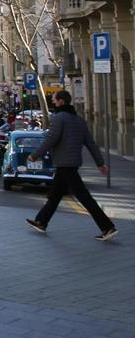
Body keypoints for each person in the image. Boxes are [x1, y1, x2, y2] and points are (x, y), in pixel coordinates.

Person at [25, 90, 117, 241]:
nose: (53, 102)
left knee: (84, 197)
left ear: (61, 101)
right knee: (55, 195)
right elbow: (91, 143)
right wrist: (100, 163)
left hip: (64, 163)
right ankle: (41, 221)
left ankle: (107, 227)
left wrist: (34, 155)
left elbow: (51, 139)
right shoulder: (79, 120)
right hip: (70, 163)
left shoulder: (59, 118)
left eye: (54, 100)